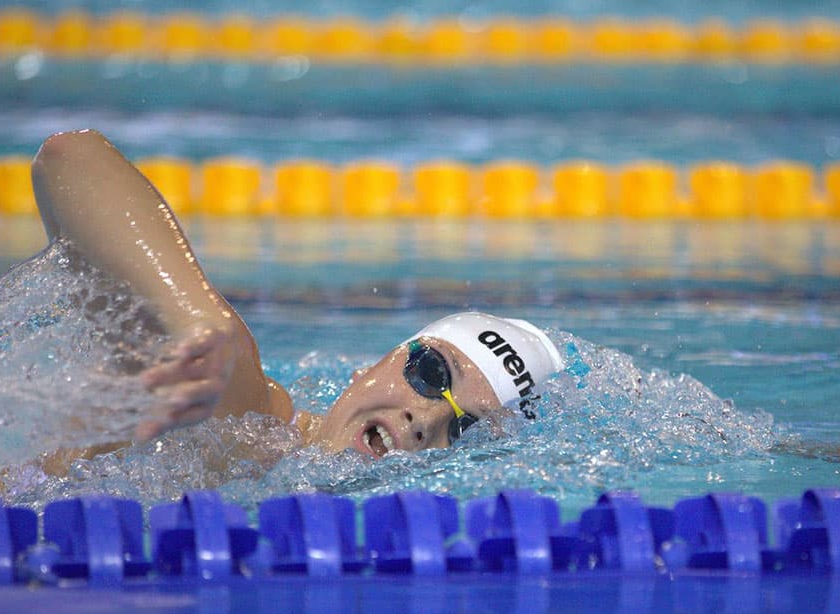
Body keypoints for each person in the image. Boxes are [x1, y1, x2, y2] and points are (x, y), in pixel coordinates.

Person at [30, 129, 564, 471]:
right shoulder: (242, 414)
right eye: (431, 373)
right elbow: (68, 157)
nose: (424, 418)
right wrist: (192, 315)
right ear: (371, 366)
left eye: (464, 428)